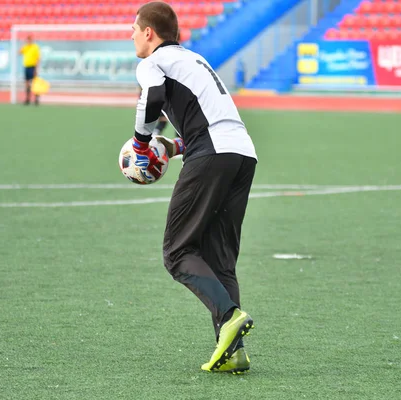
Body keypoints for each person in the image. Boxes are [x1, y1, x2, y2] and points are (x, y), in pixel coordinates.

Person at [129, 1, 258, 374]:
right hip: (242, 154)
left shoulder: (153, 62)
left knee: (177, 251)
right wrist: (171, 146)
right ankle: (233, 350)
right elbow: (211, 119)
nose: (132, 35)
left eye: (135, 29)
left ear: (149, 33)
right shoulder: (193, 60)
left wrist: (140, 146)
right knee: (221, 261)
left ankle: (230, 315)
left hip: (212, 155)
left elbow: (151, 98)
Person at [19, 35, 41, 106]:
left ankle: (36, 99)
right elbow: (19, 52)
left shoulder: (35, 47)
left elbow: (38, 58)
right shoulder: (25, 47)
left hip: (33, 66)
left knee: (35, 83)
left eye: (30, 40)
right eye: (27, 40)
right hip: (26, 66)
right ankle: (27, 99)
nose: (28, 41)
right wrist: (22, 45)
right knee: (27, 83)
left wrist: (36, 68)